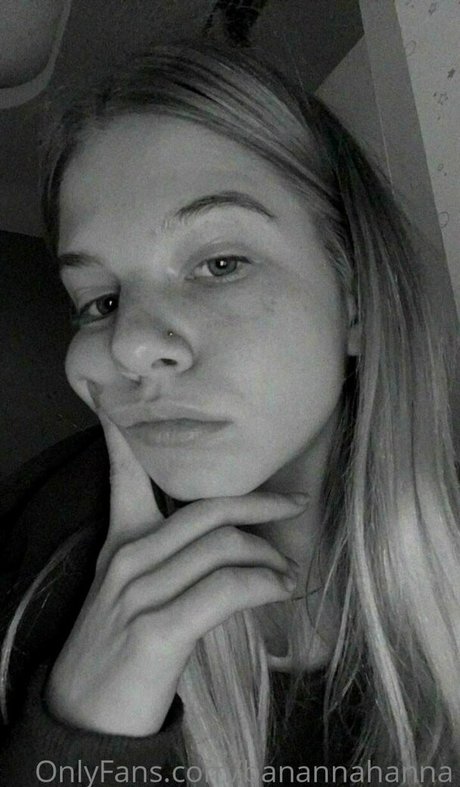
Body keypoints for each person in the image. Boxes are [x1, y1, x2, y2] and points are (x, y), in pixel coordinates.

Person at [0, 39, 459, 787]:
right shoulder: (27, 563)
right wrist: (86, 735)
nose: (130, 345)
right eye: (100, 301)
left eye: (219, 264)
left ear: (355, 300)